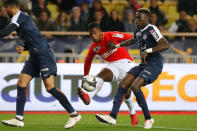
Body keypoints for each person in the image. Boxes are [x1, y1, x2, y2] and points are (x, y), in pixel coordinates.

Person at [1, 0, 81, 129]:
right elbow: (33, 36)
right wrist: (25, 48)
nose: (3, 13)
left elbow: (5, 32)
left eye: (4, 10)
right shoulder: (22, 17)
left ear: (9, 8)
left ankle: (74, 114)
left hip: (43, 54)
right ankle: (18, 118)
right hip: (34, 55)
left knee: (49, 87)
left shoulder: (19, 17)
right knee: (21, 83)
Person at [95, 8, 169, 129]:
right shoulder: (139, 31)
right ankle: (112, 117)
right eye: (136, 17)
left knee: (135, 86)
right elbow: (132, 41)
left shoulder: (152, 29)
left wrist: (148, 50)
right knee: (124, 83)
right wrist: (117, 45)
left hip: (155, 64)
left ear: (146, 18)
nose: (136, 20)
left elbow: (165, 44)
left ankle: (148, 118)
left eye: (139, 17)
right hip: (144, 64)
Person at [77, 22, 140, 126]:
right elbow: (88, 61)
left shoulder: (112, 35)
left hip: (126, 63)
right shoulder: (94, 47)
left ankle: (133, 113)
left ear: (100, 32)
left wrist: (117, 45)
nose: (93, 36)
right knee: (101, 74)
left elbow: (132, 37)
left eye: (95, 33)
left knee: (127, 93)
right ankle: (89, 96)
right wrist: (85, 76)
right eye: (90, 34)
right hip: (113, 66)